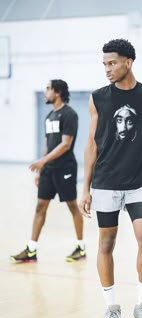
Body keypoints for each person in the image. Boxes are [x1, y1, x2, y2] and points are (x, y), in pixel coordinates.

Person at [79, 39, 142, 318]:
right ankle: (111, 308)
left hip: (140, 183)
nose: (107, 69)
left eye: (112, 63)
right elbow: (91, 144)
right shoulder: (98, 99)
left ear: (128, 62)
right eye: (104, 64)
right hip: (105, 182)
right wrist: (86, 187)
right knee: (106, 244)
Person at [11, 79, 86, 263]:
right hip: (48, 170)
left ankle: (80, 247)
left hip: (65, 168)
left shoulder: (70, 115)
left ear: (58, 92)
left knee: (72, 206)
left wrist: (41, 161)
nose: (45, 92)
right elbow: (47, 144)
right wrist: (40, 169)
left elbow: (66, 144)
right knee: (40, 207)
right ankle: (31, 249)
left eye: (48, 89)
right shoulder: (48, 116)